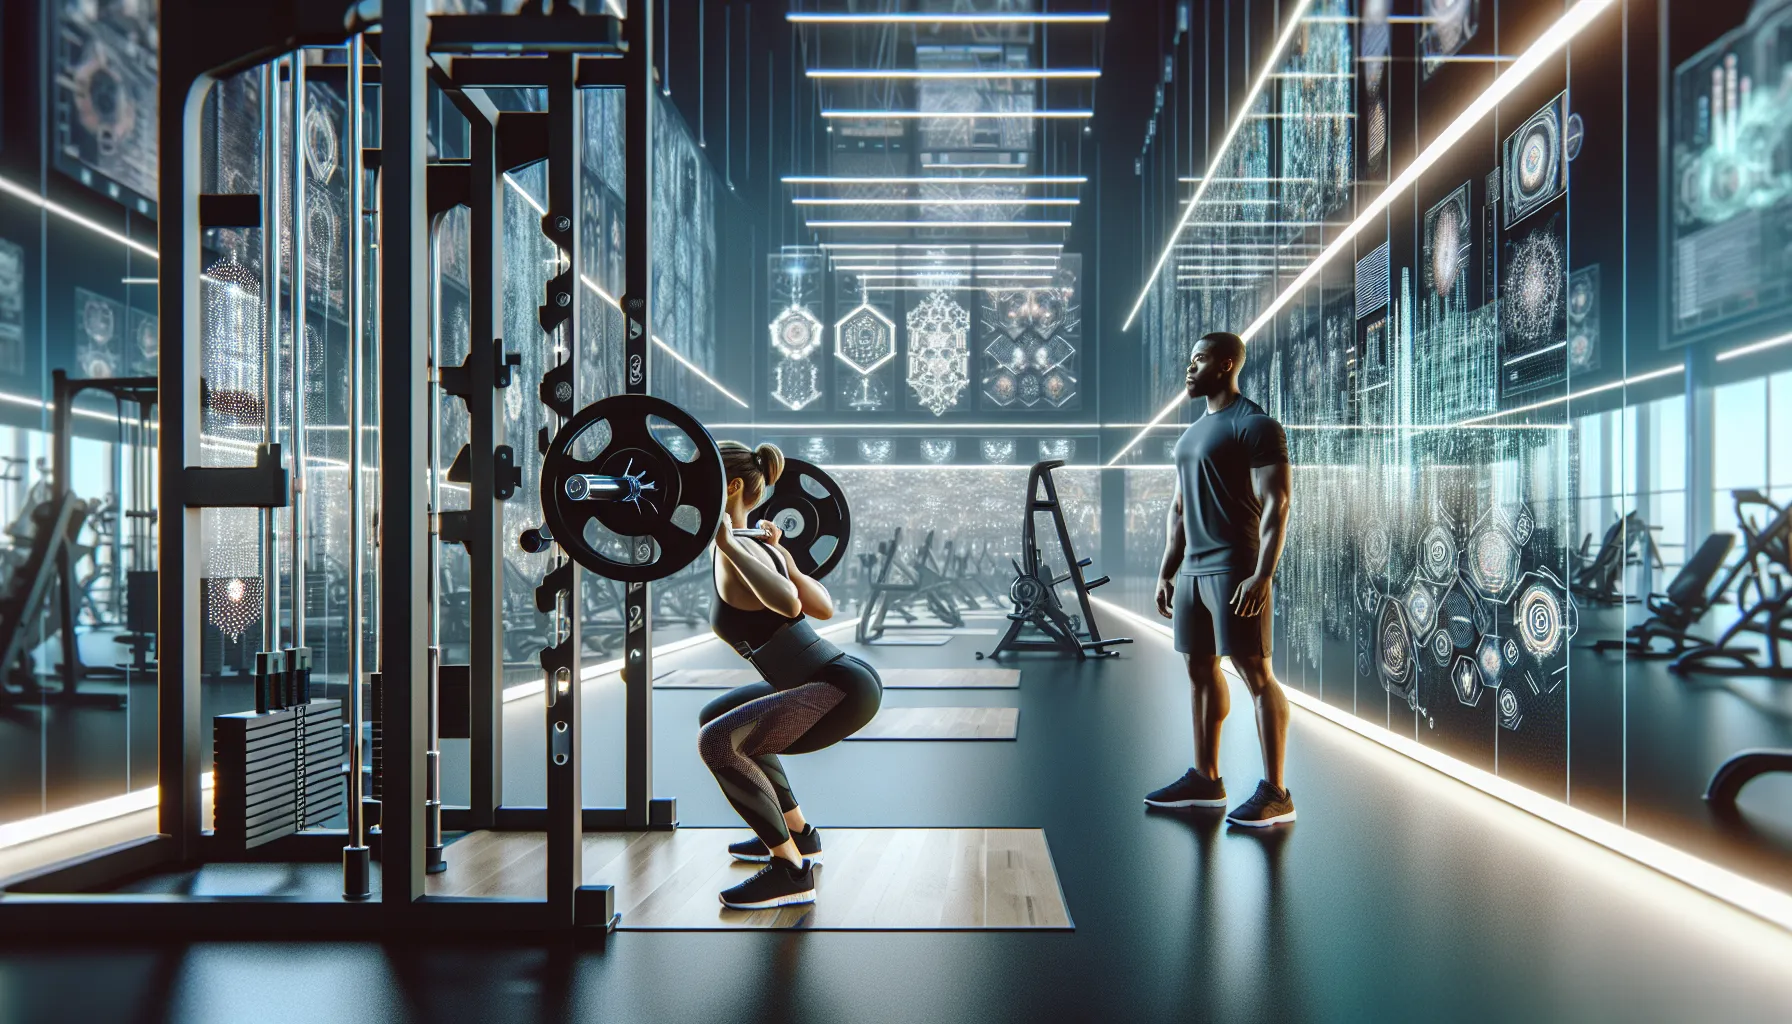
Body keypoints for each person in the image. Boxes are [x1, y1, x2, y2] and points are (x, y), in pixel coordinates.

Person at [696, 441, 884, 909]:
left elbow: (797, 606)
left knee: (718, 742)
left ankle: (790, 871)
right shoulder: (757, 547)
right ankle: (799, 833)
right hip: (830, 678)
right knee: (717, 715)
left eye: (706, 482)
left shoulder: (739, 550)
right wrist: (770, 554)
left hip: (836, 688)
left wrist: (733, 548)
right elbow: (821, 606)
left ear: (732, 486)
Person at [1145, 332, 1296, 827]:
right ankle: (1206, 779)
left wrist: (1263, 574)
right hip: (1193, 571)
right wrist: (1168, 570)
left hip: (1236, 567)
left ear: (1227, 363)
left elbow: (1278, 504)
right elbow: (1178, 509)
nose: (1189, 369)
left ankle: (1277, 792)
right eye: (1189, 360)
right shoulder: (1190, 437)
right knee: (1199, 671)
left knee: (1255, 673)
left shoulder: (1255, 425)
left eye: (1200, 360)